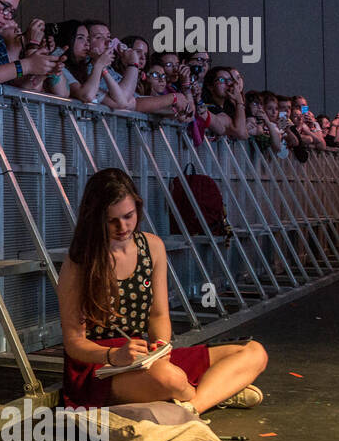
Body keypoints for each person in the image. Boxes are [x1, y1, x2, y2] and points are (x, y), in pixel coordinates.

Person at [57, 168, 269, 412]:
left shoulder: (152, 246)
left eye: (129, 216)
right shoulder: (79, 262)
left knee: (254, 352)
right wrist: (114, 355)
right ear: (95, 219)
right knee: (171, 378)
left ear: (137, 208)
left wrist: (160, 346)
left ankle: (193, 406)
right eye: (111, 220)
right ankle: (215, 393)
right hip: (99, 367)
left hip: (144, 356)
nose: (123, 226)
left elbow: (158, 316)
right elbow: (74, 343)